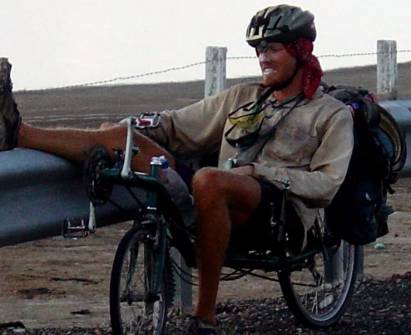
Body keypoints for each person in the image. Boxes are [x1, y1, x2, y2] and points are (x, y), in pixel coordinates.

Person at [0, 4, 354, 334]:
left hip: (280, 217)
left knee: (209, 179)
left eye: (273, 49)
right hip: (216, 195)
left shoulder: (330, 114)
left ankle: (204, 316)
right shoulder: (242, 98)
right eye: (259, 51)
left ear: (300, 50)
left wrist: (260, 172)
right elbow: (177, 127)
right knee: (122, 139)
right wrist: (123, 131)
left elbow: (327, 184)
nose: (263, 58)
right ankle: (18, 132)